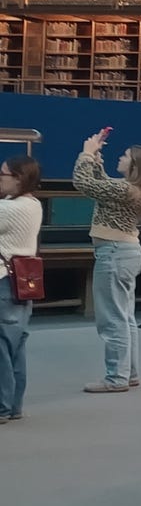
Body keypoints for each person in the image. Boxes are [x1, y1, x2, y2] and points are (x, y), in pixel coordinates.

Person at [72, 132, 141, 394]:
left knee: (113, 320)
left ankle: (116, 378)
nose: (120, 158)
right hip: (123, 253)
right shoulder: (128, 189)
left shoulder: (125, 190)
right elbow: (101, 183)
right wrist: (96, 158)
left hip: (114, 254)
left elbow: (83, 183)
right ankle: (128, 373)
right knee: (125, 318)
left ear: (134, 166)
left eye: (125, 157)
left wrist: (86, 153)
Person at [0, 155, 43, 423]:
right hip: (23, 281)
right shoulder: (33, 204)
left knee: (2, 347)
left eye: (2, 174)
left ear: (18, 178)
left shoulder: (8, 209)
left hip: (4, 281)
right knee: (15, 345)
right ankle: (13, 405)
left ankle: (2, 406)